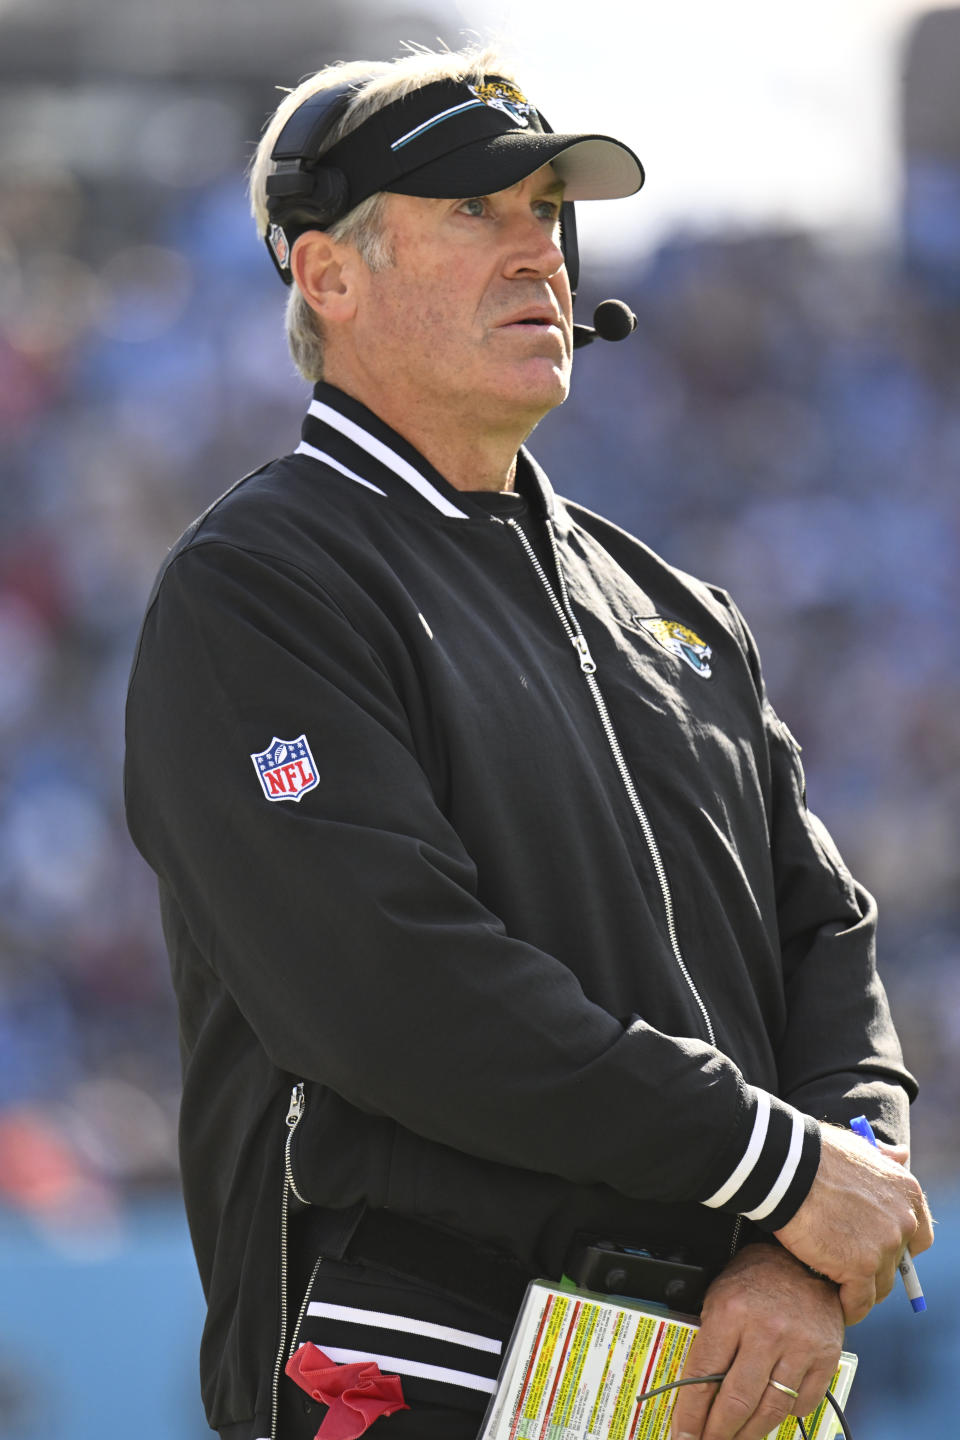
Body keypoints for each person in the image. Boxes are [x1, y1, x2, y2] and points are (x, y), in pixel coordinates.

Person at [124, 45, 933, 1440]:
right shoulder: (259, 584)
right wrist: (780, 1172)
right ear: (327, 277)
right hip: (431, 1361)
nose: (538, 254)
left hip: (742, 1369)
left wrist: (810, 1244)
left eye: (548, 210)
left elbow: (830, 948)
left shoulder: (679, 610)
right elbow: (392, 991)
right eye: (471, 212)